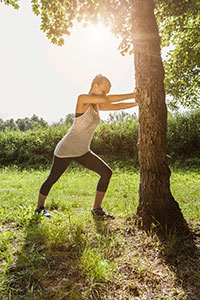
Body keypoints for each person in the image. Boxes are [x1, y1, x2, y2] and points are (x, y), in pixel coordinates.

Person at [35, 74, 138, 218]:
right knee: (52, 178)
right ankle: (39, 208)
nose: (105, 94)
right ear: (95, 85)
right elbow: (107, 100)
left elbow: (117, 106)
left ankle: (96, 209)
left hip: (82, 150)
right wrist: (133, 94)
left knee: (106, 173)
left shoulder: (97, 105)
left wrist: (137, 102)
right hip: (66, 149)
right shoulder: (82, 99)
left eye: (107, 92)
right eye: (104, 90)